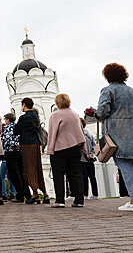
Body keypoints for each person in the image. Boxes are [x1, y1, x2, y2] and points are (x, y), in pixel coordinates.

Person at [95, 63, 133, 211]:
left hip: (119, 134)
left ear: (107, 76)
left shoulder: (108, 91)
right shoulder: (131, 91)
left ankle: (132, 201)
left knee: (125, 168)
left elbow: (103, 110)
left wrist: (95, 114)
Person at [47, 93, 86, 208]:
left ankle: (60, 200)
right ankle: (79, 200)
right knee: (76, 174)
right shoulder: (75, 114)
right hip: (75, 147)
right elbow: (80, 131)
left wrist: (50, 149)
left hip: (60, 148)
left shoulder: (55, 115)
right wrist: (83, 146)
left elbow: (52, 133)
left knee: (58, 175)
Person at [14, 98, 50, 204]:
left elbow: (16, 131)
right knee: (37, 168)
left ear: (24, 105)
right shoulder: (35, 116)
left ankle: (35, 194)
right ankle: (45, 193)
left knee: (29, 169)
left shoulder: (24, 117)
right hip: (36, 143)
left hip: (27, 144)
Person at [1, 113, 30, 202]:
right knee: (21, 173)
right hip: (19, 152)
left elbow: (7, 139)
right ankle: (27, 194)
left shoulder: (7, 128)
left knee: (14, 175)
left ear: (8, 120)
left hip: (10, 152)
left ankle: (20, 195)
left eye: (5, 120)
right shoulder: (18, 126)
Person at [80, 118, 98, 199]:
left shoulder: (79, 134)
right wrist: (91, 154)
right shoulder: (89, 134)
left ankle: (85, 194)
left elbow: (80, 147)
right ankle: (95, 194)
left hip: (82, 158)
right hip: (90, 159)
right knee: (92, 177)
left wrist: (85, 155)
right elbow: (94, 146)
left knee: (84, 177)